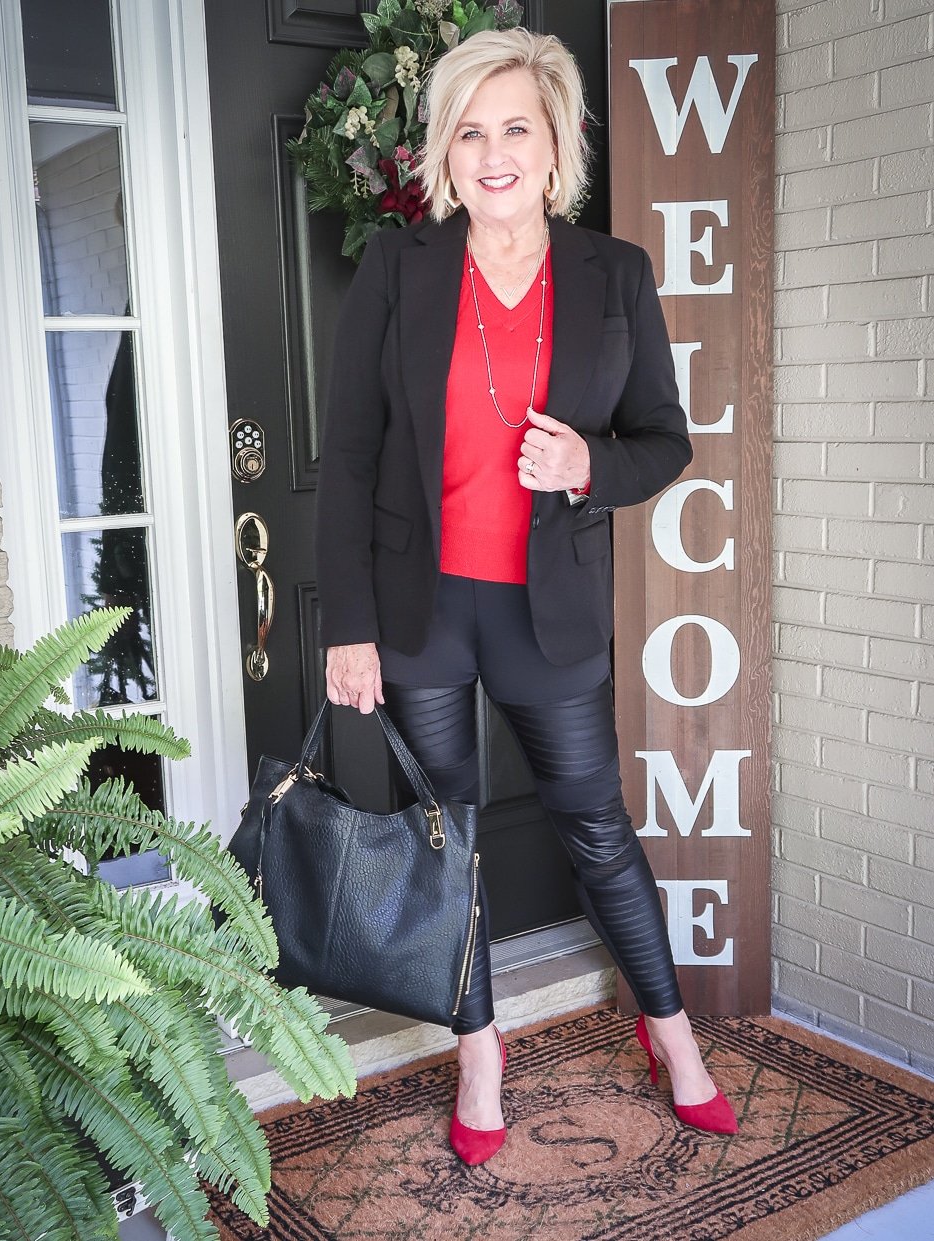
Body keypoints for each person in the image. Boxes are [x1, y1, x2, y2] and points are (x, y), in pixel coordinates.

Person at [315, 27, 738, 1166]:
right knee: (446, 840)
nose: (493, 152)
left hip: (546, 612)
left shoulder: (614, 275)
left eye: (516, 128)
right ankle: (480, 1049)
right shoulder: (399, 273)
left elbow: (667, 441)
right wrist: (346, 623)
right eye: (470, 130)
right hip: (422, 610)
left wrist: (589, 463)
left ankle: (671, 1031)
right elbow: (350, 453)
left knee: (598, 828)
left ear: (556, 148)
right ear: (444, 155)